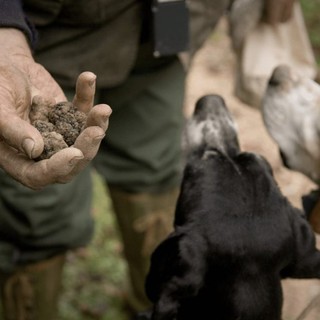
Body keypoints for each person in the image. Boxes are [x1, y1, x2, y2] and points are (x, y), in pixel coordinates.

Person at [0, 0, 295, 319]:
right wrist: (5, 28)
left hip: (168, 23)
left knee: (154, 171)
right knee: (37, 213)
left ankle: (158, 307)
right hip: (46, 36)